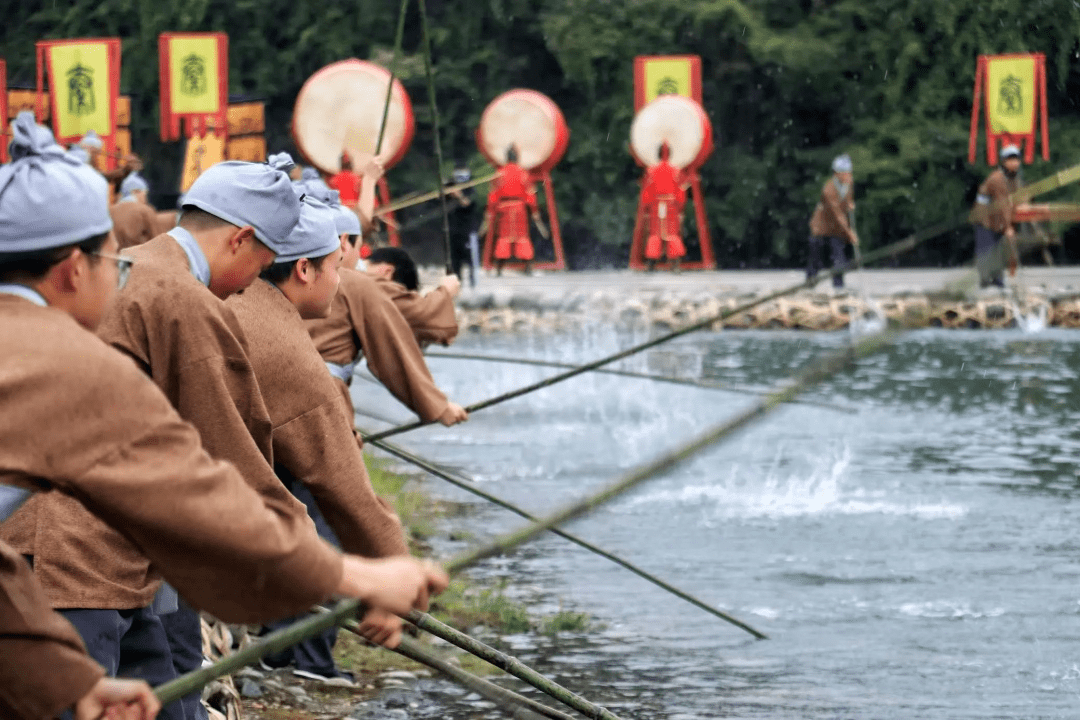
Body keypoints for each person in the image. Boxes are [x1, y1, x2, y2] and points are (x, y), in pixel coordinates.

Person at [0, 112, 447, 719]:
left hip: (75, 567)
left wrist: (62, 681)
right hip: (77, 564)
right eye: (112, 261)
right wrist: (358, 577)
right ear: (72, 269)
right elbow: (203, 479)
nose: (120, 273)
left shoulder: (100, 301)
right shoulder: (153, 314)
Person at [227, 194, 416, 684]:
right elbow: (350, 494)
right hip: (125, 545)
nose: (345, 275)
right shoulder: (289, 353)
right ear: (306, 269)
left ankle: (277, 645)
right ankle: (311, 656)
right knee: (318, 525)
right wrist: (395, 578)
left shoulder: (233, 298)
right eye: (338, 263)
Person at [306, 231, 468, 429]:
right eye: (358, 249)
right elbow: (416, 325)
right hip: (320, 397)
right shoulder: (360, 282)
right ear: (343, 241)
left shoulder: (295, 272)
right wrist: (446, 292)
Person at [366, 246, 460, 348]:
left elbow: (446, 335)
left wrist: (445, 293)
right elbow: (445, 333)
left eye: (369, 263)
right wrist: (446, 292)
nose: (361, 269)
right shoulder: (409, 314)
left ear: (387, 271)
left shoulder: (392, 305)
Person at [971, 144, 1023, 288]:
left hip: (997, 219)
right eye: (1010, 159)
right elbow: (1002, 204)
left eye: (1016, 159)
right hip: (984, 218)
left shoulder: (1014, 178)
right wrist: (1008, 227)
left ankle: (997, 281)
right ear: (1004, 162)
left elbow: (1015, 199)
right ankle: (985, 282)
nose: (1014, 163)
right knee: (986, 249)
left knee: (998, 250)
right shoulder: (997, 179)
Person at [807, 153, 858, 290]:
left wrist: (849, 204)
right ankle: (810, 284)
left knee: (838, 258)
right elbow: (837, 214)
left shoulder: (849, 183)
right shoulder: (828, 189)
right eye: (845, 173)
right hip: (821, 228)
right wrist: (849, 233)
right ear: (837, 174)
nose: (848, 176)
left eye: (849, 172)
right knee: (816, 259)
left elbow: (847, 201)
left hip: (836, 229)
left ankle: (839, 287)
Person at [487, 145, 540, 274]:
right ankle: (527, 267)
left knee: (504, 237)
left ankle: (499, 269)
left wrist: (490, 211)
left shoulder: (500, 173)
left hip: (504, 208)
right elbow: (530, 195)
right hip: (519, 209)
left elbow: (493, 195)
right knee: (522, 237)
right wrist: (534, 211)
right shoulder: (523, 173)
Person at [639, 143, 688, 272]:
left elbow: (647, 191)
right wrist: (681, 207)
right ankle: (675, 262)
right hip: (671, 204)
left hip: (657, 204)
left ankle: (651, 262)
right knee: (672, 232)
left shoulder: (652, 170)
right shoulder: (675, 170)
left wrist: (646, 207)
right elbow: (680, 191)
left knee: (655, 232)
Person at [109, 172, 159, 249]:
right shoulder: (146, 210)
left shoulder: (110, 210)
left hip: (113, 258)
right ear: (136, 191)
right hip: (136, 258)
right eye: (144, 194)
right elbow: (155, 241)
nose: (145, 199)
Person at [446, 162, 477, 285]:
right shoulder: (450, 186)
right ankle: (457, 285)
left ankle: (473, 284)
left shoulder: (470, 188)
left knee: (470, 261)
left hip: (467, 230)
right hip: (453, 230)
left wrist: (459, 195)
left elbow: (468, 203)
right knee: (455, 262)